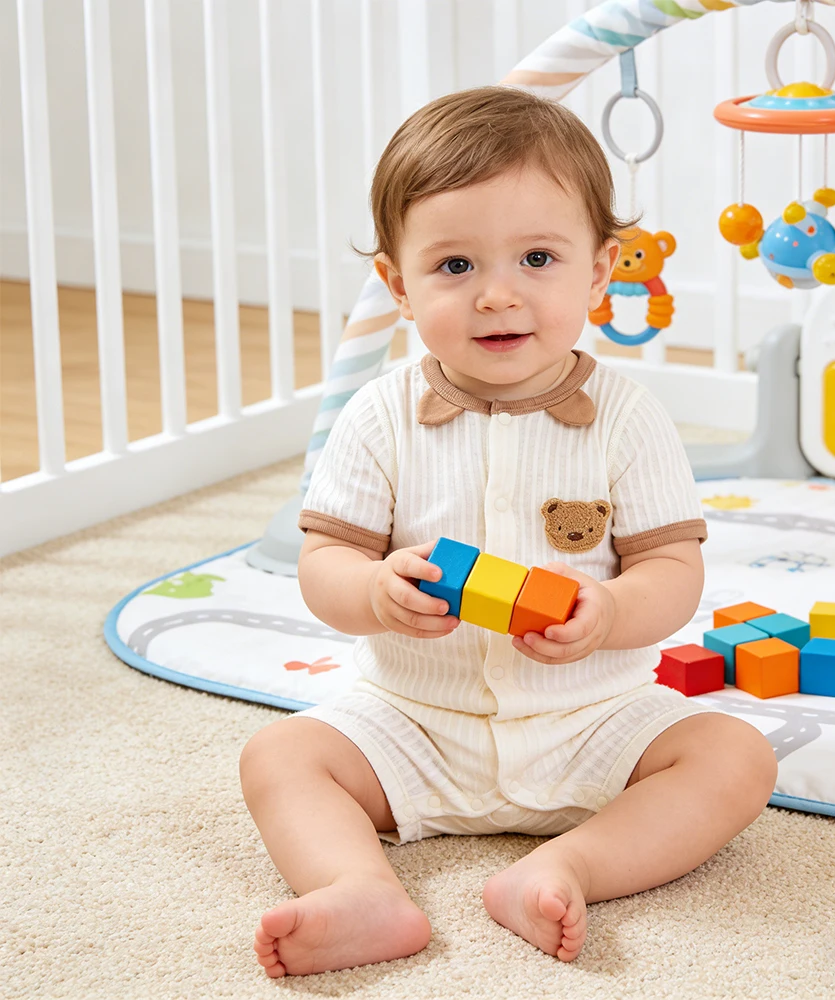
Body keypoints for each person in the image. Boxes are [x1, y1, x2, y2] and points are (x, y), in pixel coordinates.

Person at [239, 85, 778, 978]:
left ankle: (570, 864)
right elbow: (325, 560)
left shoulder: (627, 417)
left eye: (537, 258)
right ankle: (358, 889)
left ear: (600, 272)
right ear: (396, 285)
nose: (497, 296)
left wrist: (608, 611)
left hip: (592, 719)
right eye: (454, 267)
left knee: (734, 757)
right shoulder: (379, 416)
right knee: (280, 755)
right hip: (413, 721)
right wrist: (373, 590)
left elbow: (671, 569)